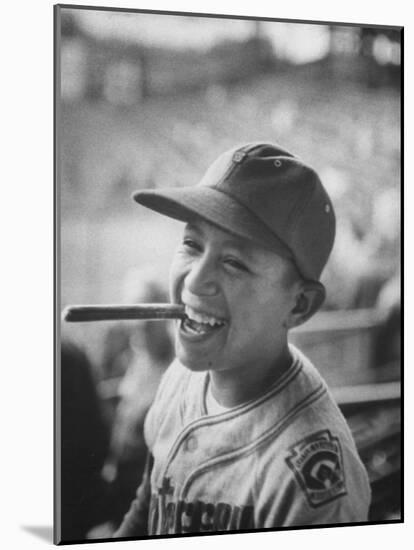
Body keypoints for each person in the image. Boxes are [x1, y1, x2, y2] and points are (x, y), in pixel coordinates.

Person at [114, 142, 371, 537]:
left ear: (299, 305)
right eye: (191, 244)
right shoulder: (181, 378)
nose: (196, 279)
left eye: (234, 262)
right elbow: (147, 506)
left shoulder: (312, 479)